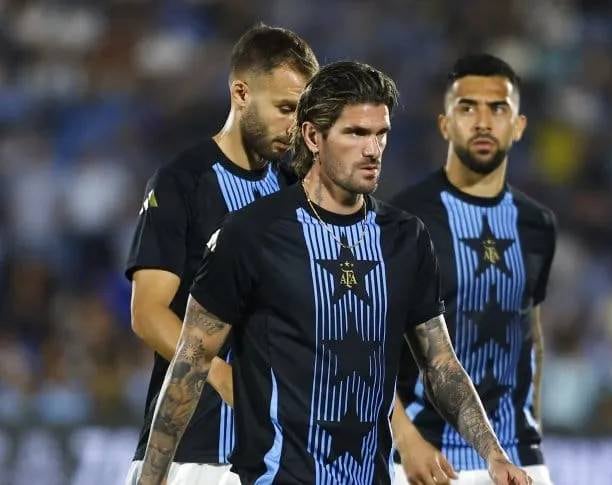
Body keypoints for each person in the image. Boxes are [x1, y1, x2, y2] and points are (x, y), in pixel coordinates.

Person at [135, 61, 532, 485]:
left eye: (381, 134)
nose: (373, 149)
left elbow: (441, 365)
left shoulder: (406, 239)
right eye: (356, 133)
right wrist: (151, 480)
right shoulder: (251, 234)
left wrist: (494, 454)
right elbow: (190, 364)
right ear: (313, 137)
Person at [124, 23, 318, 485]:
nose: (295, 126)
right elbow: (147, 314)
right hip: (192, 453)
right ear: (241, 93)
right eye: (285, 108)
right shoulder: (183, 182)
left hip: (275, 456)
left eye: (302, 112)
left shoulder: (295, 191)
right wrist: (221, 374)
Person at [389, 54, 556, 485]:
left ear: (518, 126)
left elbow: (531, 335)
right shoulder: (404, 219)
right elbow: (370, 343)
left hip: (521, 457)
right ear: (445, 124)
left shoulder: (538, 224)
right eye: (467, 108)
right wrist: (403, 437)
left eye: (498, 108)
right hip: (430, 459)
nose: (483, 122)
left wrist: (533, 432)